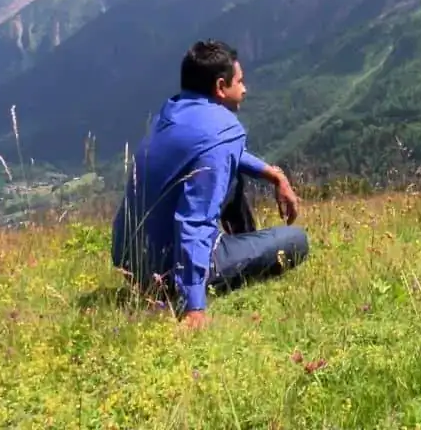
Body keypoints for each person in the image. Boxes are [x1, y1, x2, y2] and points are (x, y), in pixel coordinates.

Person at [110, 39, 307, 329]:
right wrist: (194, 307)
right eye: (239, 82)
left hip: (129, 259)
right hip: (164, 271)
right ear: (220, 87)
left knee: (233, 173)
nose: (245, 89)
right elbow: (194, 221)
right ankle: (225, 264)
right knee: (296, 241)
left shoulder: (173, 111)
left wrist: (274, 174)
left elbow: (228, 155)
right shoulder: (222, 130)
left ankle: (243, 244)